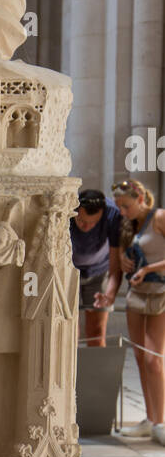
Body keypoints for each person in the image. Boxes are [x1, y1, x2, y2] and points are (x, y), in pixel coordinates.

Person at [108, 179, 165, 443]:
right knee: (141, 359)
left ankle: (161, 422)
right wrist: (124, 261)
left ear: (141, 197)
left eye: (126, 206)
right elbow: (119, 262)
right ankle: (149, 419)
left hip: (160, 294)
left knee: (154, 359)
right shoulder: (127, 226)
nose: (122, 211)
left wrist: (147, 269)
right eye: (119, 207)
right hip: (136, 295)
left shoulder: (160, 218)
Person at [69, 188, 122, 345]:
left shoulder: (112, 214)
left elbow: (115, 260)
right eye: (82, 221)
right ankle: (71, 370)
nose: (87, 227)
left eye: (93, 223)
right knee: (69, 330)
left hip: (98, 271)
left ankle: (95, 369)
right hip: (68, 272)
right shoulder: (66, 209)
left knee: (97, 331)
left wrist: (110, 293)